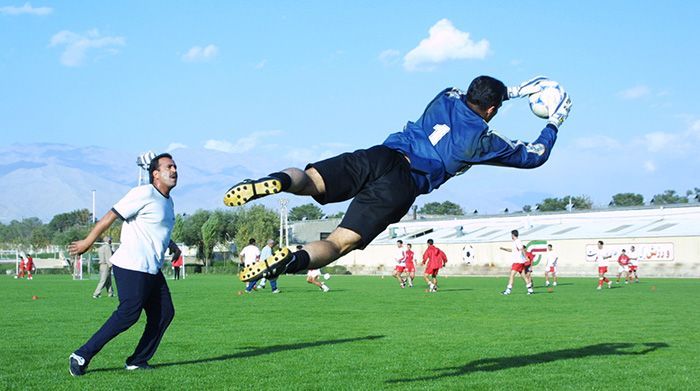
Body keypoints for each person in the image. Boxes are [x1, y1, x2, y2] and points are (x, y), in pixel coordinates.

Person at [224, 75, 571, 283]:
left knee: (311, 179)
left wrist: (517, 88)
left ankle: (273, 181)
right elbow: (534, 155)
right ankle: (290, 260)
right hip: (402, 186)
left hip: (380, 155)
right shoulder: (481, 141)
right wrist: (553, 121)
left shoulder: (446, 95)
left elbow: (482, 92)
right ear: (493, 111)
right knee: (339, 243)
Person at [67, 152, 180, 377]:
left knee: (164, 313)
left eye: (176, 167)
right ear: (155, 174)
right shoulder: (144, 193)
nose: (175, 170)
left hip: (151, 268)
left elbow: (155, 228)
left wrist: (173, 245)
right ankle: (81, 355)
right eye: (169, 167)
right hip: (131, 265)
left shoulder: (168, 201)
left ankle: (137, 360)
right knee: (129, 313)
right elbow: (111, 215)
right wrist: (88, 241)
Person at [501, 230, 534, 295]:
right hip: (519, 262)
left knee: (512, 275)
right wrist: (504, 249)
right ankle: (530, 290)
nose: (511, 236)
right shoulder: (515, 242)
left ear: (513, 235)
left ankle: (508, 291)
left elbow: (522, 249)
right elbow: (512, 250)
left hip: (518, 262)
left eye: (511, 235)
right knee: (524, 276)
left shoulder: (518, 241)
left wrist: (526, 257)